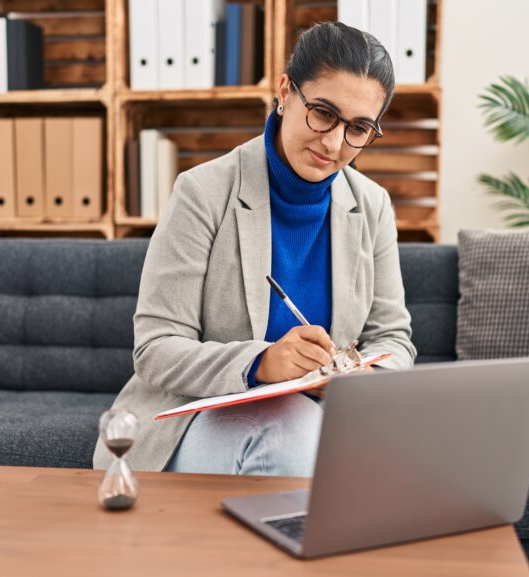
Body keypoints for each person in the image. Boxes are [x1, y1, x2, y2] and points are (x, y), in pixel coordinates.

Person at [93, 21, 416, 477]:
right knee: (291, 435)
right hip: (199, 417)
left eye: (359, 128)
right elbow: (155, 349)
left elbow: (393, 338)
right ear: (285, 92)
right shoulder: (202, 192)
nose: (334, 143)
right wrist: (259, 362)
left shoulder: (373, 206)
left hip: (329, 421)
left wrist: (370, 381)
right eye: (323, 112)